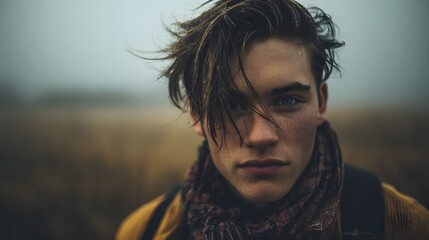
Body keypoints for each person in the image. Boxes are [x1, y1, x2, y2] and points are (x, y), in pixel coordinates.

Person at [116, 0, 429, 239]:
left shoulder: (400, 224)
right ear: (197, 114)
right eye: (230, 104)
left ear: (320, 102)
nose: (260, 135)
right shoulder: (146, 230)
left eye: (288, 100)